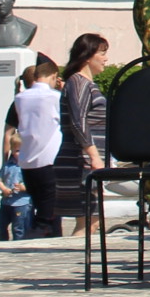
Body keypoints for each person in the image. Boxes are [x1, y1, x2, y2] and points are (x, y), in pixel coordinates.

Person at [59, 33, 110, 238]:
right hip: (81, 161)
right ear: (88, 56)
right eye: (102, 53)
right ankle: (77, 258)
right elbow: (78, 121)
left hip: (87, 159)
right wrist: (94, 156)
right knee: (88, 221)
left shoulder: (84, 83)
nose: (106, 59)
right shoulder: (78, 82)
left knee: (92, 220)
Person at [11, 61, 64, 238]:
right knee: (49, 211)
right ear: (53, 76)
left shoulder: (20, 98)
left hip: (27, 159)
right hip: (49, 158)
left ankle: (39, 231)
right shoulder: (55, 97)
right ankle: (44, 233)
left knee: (37, 203)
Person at [0, 137, 33, 242]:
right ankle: (3, 243)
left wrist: (23, 187)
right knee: (1, 226)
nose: (19, 154)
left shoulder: (28, 166)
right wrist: (3, 189)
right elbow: (0, 180)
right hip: (7, 202)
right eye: (17, 151)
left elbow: (34, 184)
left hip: (21, 203)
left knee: (18, 228)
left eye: (22, 151)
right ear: (11, 150)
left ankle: (18, 245)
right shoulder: (8, 165)